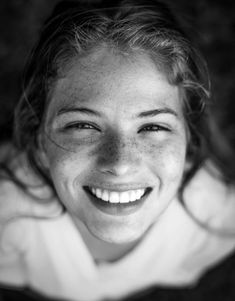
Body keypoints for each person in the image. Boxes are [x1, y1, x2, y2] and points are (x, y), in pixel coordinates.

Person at [0, 0, 235, 300]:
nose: (120, 165)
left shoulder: (215, 218)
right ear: (39, 141)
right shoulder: (7, 217)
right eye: (83, 126)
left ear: (189, 141)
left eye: (153, 127)